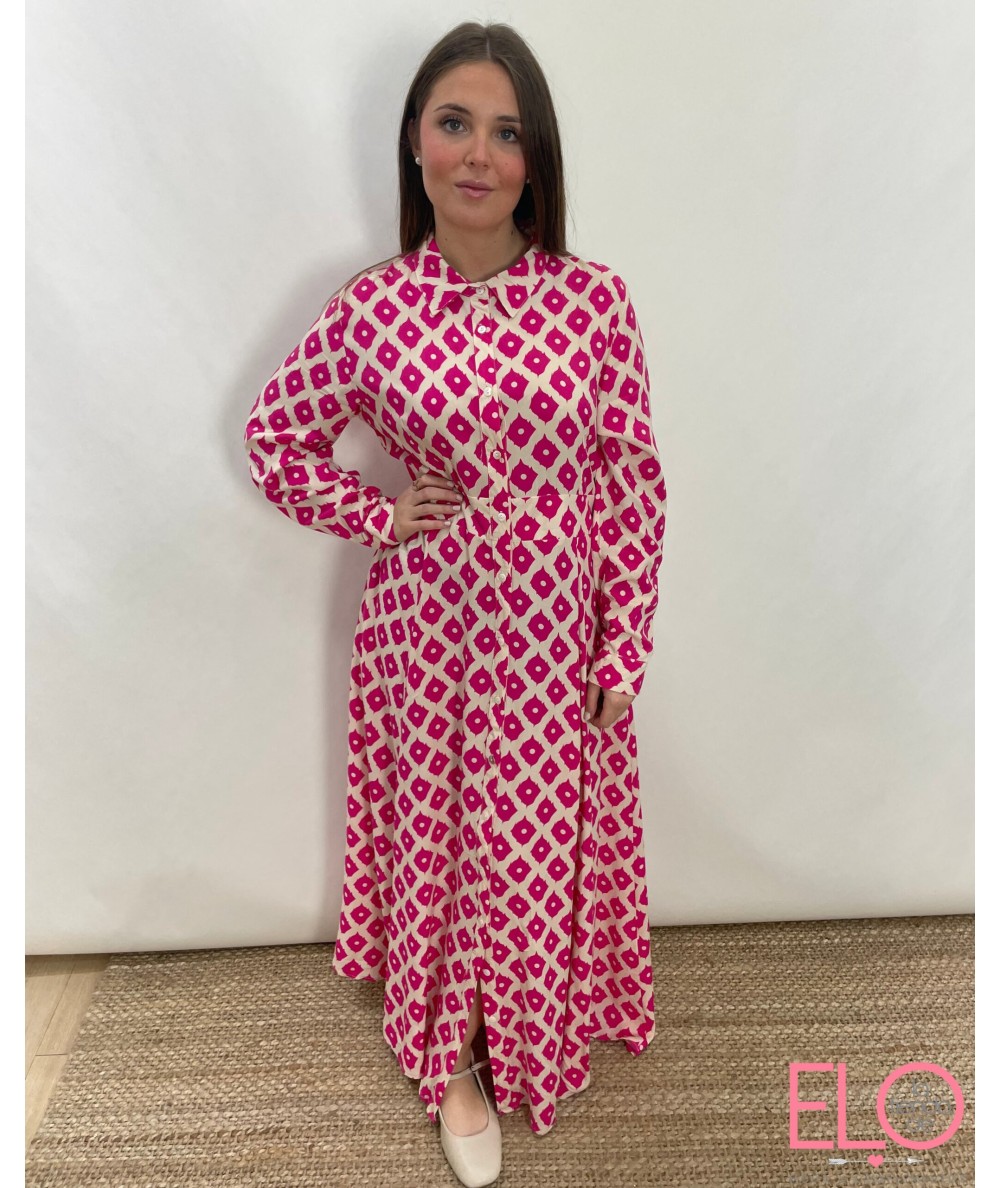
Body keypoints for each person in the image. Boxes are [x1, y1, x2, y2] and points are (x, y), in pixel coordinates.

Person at [243, 20, 667, 1187]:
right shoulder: (370, 310)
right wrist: (380, 515)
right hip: (425, 637)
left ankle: (534, 1021)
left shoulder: (593, 303)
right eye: (454, 123)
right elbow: (275, 441)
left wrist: (621, 644)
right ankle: (455, 1059)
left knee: (534, 836)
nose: (479, 153)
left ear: (537, 159)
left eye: (507, 132)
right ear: (415, 144)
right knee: (442, 834)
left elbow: (631, 482)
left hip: (553, 635)